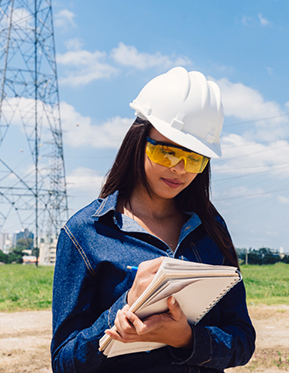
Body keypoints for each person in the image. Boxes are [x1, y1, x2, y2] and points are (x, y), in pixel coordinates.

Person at [51, 67, 255, 373]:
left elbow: (242, 340)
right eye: (167, 153)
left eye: (195, 159)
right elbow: (64, 362)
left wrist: (187, 339)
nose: (179, 170)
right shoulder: (86, 234)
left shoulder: (210, 229)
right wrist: (124, 307)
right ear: (138, 140)